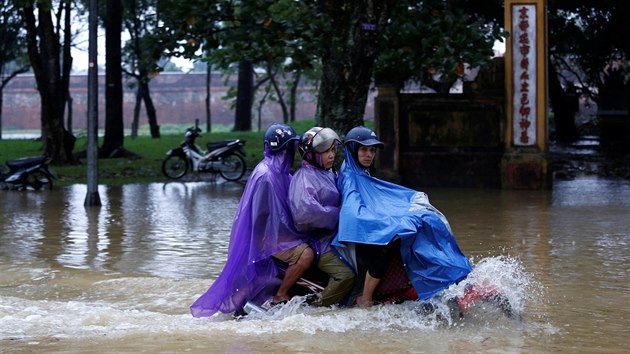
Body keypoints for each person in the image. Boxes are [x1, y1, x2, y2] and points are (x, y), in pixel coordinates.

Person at [332, 126, 472, 307]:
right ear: (352, 150)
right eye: (364, 149)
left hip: (368, 228)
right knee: (385, 250)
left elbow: (377, 200)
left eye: (372, 150)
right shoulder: (351, 177)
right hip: (360, 235)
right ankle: (365, 297)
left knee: (427, 222)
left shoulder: (360, 171)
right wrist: (388, 224)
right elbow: (355, 214)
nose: (369, 155)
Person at [190, 123, 314, 317]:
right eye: (290, 147)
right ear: (285, 149)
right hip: (266, 237)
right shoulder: (266, 176)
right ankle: (280, 295)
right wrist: (294, 232)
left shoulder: (279, 172)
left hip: (273, 233)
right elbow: (265, 218)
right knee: (306, 254)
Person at [288, 127, 355, 307]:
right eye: (326, 151)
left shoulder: (329, 172)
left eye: (333, 149)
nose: (331, 155)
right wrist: (337, 213)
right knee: (346, 276)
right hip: (319, 242)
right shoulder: (304, 178)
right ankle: (319, 307)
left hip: (336, 236)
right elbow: (305, 213)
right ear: (311, 155)